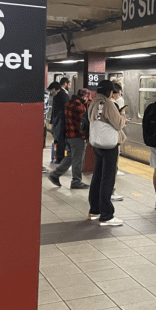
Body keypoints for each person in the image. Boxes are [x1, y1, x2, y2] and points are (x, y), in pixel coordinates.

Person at [87, 80, 127, 226]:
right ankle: (106, 215)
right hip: (109, 145)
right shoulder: (108, 103)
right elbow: (118, 123)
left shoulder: (93, 103)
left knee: (97, 176)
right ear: (110, 92)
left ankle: (94, 210)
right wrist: (122, 117)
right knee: (107, 178)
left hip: (97, 143)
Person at [48, 88, 92, 189]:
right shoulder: (80, 107)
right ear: (84, 96)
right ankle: (76, 181)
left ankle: (55, 175)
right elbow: (81, 124)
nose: (87, 100)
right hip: (77, 137)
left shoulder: (69, 103)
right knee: (78, 159)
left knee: (71, 157)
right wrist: (85, 136)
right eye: (87, 98)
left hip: (68, 135)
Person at [111, 81, 128, 184]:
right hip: (112, 138)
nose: (120, 95)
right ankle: (110, 191)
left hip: (104, 139)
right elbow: (118, 124)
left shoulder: (102, 102)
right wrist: (122, 116)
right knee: (113, 162)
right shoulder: (112, 104)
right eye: (119, 93)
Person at [50, 78, 70, 164]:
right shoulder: (64, 95)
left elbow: (54, 111)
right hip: (62, 121)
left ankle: (58, 157)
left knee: (58, 140)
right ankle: (60, 158)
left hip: (57, 121)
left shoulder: (58, 96)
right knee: (61, 140)